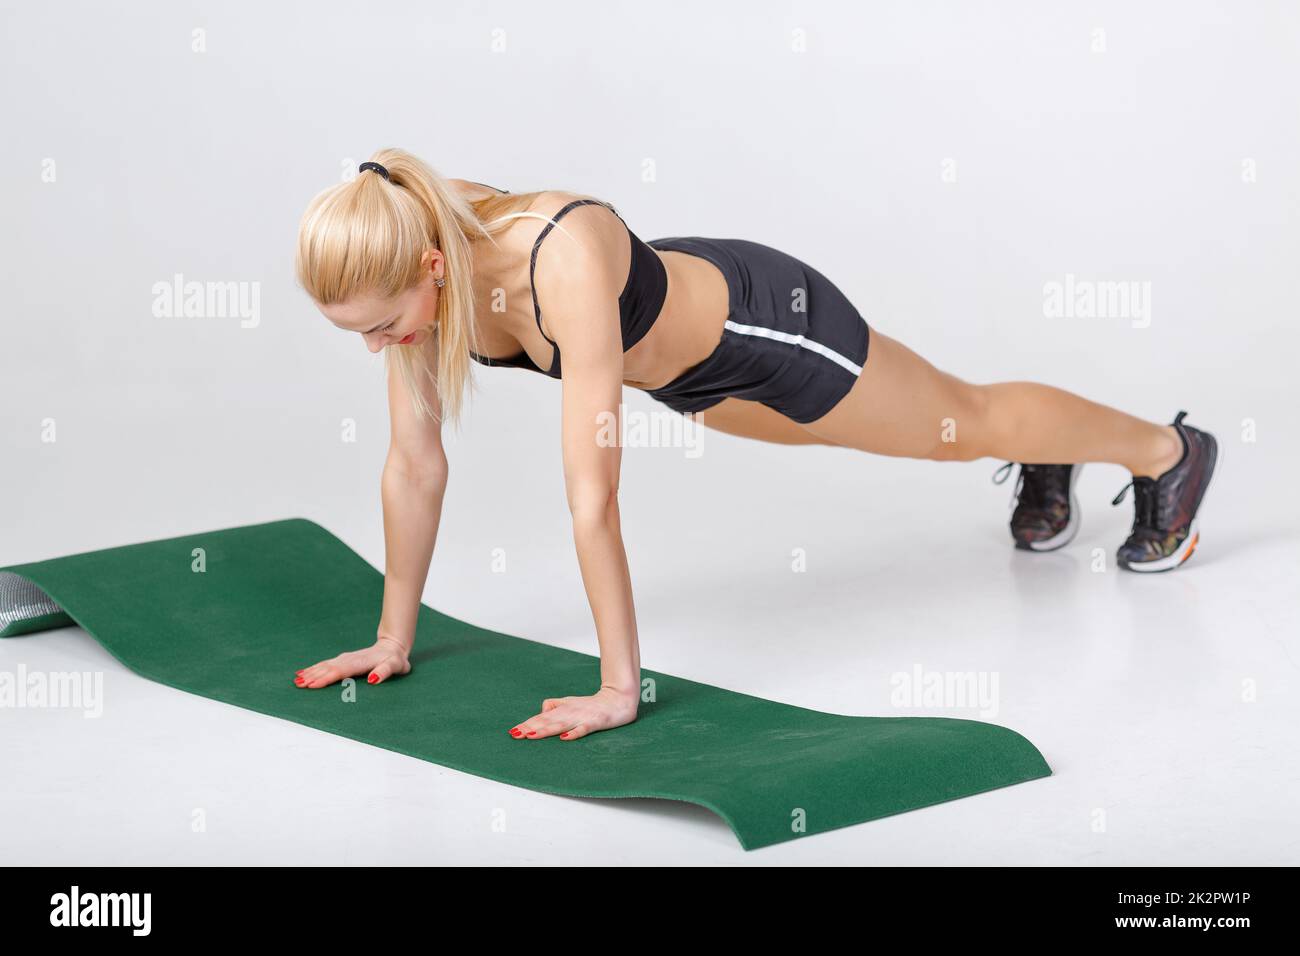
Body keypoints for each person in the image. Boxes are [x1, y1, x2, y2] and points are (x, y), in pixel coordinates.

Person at [291, 147, 1218, 741]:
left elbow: (592, 497)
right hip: (685, 374)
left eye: (381, 325)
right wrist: (391, 638)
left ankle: (1167, 453)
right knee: (890, 437)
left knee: (953, 424)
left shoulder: (552, 256)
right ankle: (1052, 449)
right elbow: (415, 463)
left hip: (766, 327)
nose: (379, 347)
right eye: (359, 334)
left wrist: (621, 690)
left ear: (432, 267)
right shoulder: (407, 244)